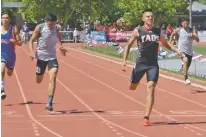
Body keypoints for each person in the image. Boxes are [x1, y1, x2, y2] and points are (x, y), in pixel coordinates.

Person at [122, 9, 181, 126]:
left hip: (153, 64)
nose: (150, 18)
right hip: (140, 63)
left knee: (151, 88)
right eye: (147, 16)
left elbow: (165, 44)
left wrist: (175, 50)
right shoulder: (138, 31)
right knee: (132, 87)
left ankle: (146, 117)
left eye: (152, 16)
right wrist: (124, 60)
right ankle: (134, 79)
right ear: (143, 18)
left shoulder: (158, 31)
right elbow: (128, 45)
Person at [29, 13, 68, 111]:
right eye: (50, 24)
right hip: (41, 57)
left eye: (54, 24)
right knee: (39, 80)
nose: (52, 26)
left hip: (52, 56)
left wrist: (61, 46)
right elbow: (31, 40)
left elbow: (58, 38)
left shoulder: (57, 28)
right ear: (46, 22)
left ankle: (49, 103)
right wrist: (31, 51)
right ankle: (39, 74)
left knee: (53, 75)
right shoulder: (40, 28)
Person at [169, 18, 199, 84]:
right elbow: (172, 34)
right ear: (182, 24)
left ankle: (183, 67)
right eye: (184, 23)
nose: (186, 25)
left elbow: (197, 40)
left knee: (186, 67)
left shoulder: (192, 30)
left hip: (189, 52)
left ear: (189, 23)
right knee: (185, 60)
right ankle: (186, 78)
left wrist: (193, 35)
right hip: (181, 50)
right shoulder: (179, 29)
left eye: (187, 23)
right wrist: (170, 41)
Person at [1, 11, 21, 100]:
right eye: (3, 18)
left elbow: (20, 43)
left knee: (9, 73)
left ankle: (10, 69)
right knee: (1, 70)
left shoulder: (13, 29)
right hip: (1, 55)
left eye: (6, 18)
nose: (5, 19)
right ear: (1, 19)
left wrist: (15, 41)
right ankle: (2, 90)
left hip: (11, 56)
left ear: (9, 20)